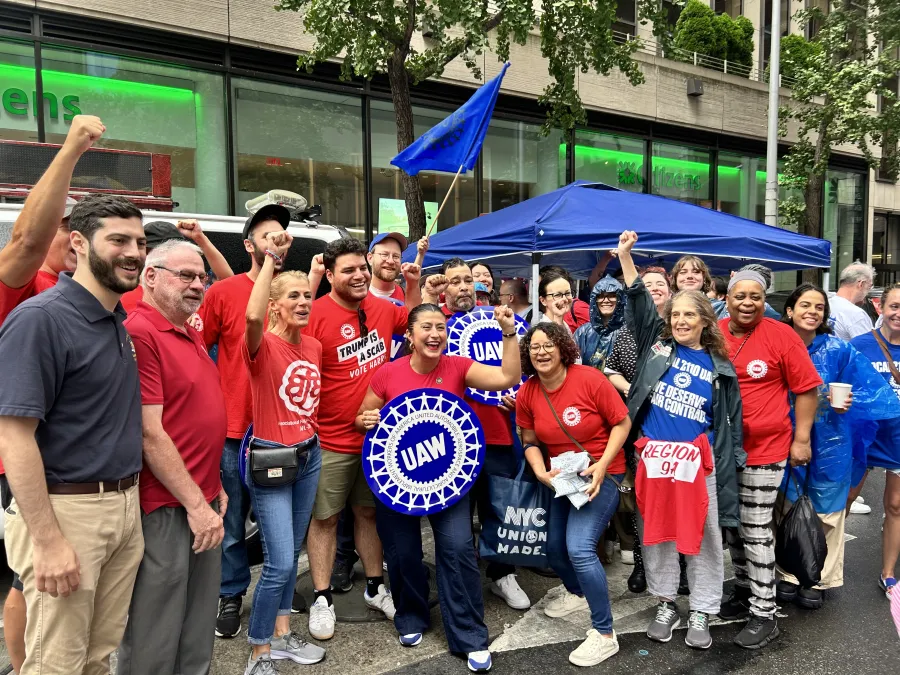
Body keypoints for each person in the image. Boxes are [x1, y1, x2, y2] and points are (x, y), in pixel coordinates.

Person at [0, 194, 146, 675]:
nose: (134, 252)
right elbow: (14, 436)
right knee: (55, 664)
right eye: (118, 240)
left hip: (122, 507)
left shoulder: (115, 318)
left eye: (141, 242)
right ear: (79, 243)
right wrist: (46, 541)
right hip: (66, 513)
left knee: (96, 656)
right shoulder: (41, 319)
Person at [355, 303, 523, 673]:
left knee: (459, 549)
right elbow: (363, 416)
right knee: (402, 553)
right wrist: (366, 418)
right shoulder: (387, 374)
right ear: (411, 337)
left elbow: (508, 376)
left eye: (441, 328)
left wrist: (508, 332)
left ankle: (470, 636)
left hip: (450, 480)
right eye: (427, 328)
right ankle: (411, 617)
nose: (435, 334)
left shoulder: (459, 367)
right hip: (397, 479)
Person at [0, 114, 105, 674]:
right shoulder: (21, 283)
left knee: (41, 593)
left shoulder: (90, 297)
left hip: (80, 475)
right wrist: (71, 150)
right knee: (34, 583)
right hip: (27, 471)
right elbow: (28, 239)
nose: (75, 236)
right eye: (69, 226)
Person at [618, 230, 744, 649]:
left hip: (698, 466)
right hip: (653, 461)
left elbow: (730, 426)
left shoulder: (721, 368)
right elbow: (639, 305)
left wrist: (731, 466)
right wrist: (625, 257)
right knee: (657, 535)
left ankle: (704, 609)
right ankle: (666, 602)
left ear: (706, 321)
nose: (681, 322)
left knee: (705, 539)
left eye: (690, 316)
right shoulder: (657, 349)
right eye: (675, 316)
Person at [304, 237, 425, 641]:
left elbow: (416, 325)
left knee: (368, 514)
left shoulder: (382, 308)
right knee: (324, 519)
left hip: (377, 440)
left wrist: (412, 283)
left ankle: (375, 587)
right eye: (348, 270)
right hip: (331, 439)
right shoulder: (316, 315)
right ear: (331, 275)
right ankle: (322, 598)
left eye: (361, 268)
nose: (358, 276)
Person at [116, 240, 228, 674]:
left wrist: (213, 488)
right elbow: (150, 432)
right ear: (150, 275)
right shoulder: (141, 331)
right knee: (155, 627)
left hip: (201, 499)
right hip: (166, 504)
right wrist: (197, 504)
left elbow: (194, 418)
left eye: (202, 277)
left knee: (198, 618)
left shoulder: (188, 329)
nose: (198, 284)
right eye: (186, 275)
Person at [199, 203, 293, 639]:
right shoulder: (223, 292)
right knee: (232, 520)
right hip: (234, 432)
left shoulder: (294, 292)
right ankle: (231, 593)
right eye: (267, 233)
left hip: (283, 433)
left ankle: (280, 602)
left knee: (283, 524)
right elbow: (197, 352)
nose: (276, 238)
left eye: (281, 233)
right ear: (248, 245)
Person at [716, 268, 822, 649]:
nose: (747, 302)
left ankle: (765, 610)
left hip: (767, 447)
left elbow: (808, 390)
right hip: (724, 450)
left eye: (755, 296)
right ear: (727, 298)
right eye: (740, 295)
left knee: (755, 526)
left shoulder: (781, 336)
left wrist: (802, 439)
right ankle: (745, 587)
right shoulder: (715, 332)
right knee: (731, 525)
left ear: (765, 300)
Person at [777, 284, 900, 609]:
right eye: (805, 305)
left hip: (833, 441)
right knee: (788, 507)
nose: (812, 312)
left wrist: (848, 403)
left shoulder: (838, 349)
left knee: (828, 512)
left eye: (819, 307)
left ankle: (819, 577)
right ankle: (789, 573)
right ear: (790, 310)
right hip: (783, 437)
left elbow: (871, 391)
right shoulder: (776, 343)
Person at [516, 323, 631, 667]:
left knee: (579, 548)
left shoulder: (591, 379)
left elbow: (622, 423)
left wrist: (602, 465)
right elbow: (530, 442)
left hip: (603, 472)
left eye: (548, 344)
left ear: (563, 347)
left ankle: (604, 634)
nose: (541, 352)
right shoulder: (528, 392)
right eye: (534, 347)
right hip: (562, 479)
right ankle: (578, 593)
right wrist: (539, 471)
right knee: (553, 548)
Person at [423, 259, 532, 611]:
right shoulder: (436, 329)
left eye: (468, 280)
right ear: (445, 289)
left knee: (497, 508)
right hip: (453, 439)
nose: (464, 287)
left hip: (498, 434)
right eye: (455, 281)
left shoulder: (499, 322)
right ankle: (457, 574)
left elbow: (523, 371)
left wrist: (519, 398)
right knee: (454, 515)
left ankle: (502, 573)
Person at [241, 231, 326, 674]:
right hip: (272, 459)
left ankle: (282, 635)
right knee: (275, 563)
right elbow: (252, 316)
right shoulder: (262, 343)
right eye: (293, 296)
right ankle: (259, 652)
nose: (304, 302)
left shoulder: (311, 345)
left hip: (308, 455)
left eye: (308, 295)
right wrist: (271, 258)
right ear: (275, 304)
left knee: (293, 554)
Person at [850, 282, 900, 597]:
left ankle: (888, 574)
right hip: (863, 440)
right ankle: (821, 569)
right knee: (841, 504)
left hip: (898, 441)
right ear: (880, 307)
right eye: (894, 306)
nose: (899, 314)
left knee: (895, 506)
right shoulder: (859, 345)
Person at [120, 219, 234, 313]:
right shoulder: (123, 296)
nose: (165, 256)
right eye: (160, 251)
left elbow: (230, 284)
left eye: (174, 250)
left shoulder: (192, 291)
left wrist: (200, 238)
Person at [573, 276, 625, 372]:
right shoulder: (583, 332)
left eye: (611, 295)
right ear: (594, 300)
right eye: (601, 296)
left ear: (620, 299)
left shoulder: (628, 331)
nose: (606, 300)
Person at [828, 262, 875, 341]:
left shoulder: (825, 304)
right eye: (869, 286)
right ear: (861, 284)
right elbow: (867, 348)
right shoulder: (857, 314)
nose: (868, 291)